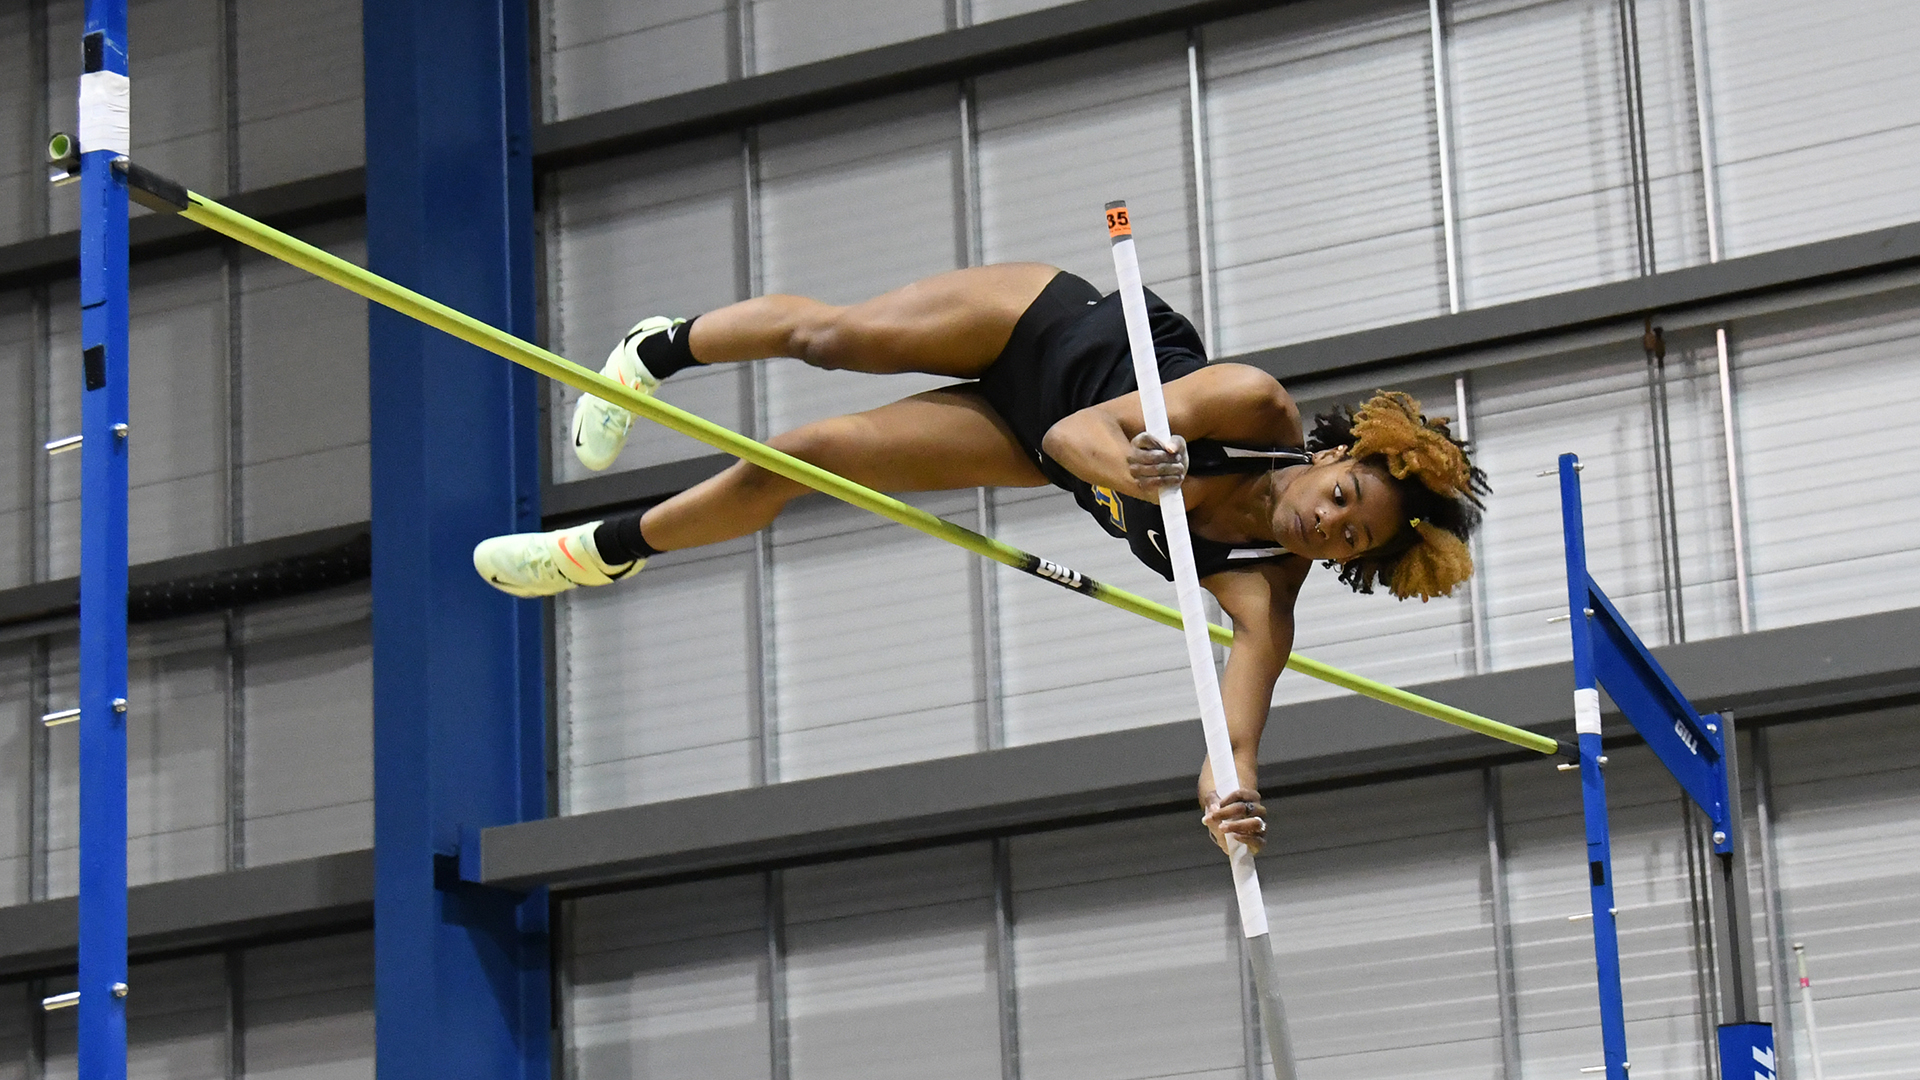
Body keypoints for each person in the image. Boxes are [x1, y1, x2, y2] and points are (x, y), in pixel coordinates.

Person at [473, 263, 1489, 854]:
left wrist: (1233, 798)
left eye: (1352, 539)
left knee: (807, 459)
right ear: (1338, 454)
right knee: (831, 339)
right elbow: (1079, 440)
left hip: (1022, 439)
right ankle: (654, 353)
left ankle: (602, 552)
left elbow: (1236, 737)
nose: (1328, 523)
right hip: (1041, 331)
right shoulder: (1253, 408)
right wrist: (1151, 473)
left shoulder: (1262, 591)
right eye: (1345, 497)